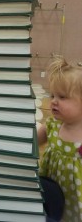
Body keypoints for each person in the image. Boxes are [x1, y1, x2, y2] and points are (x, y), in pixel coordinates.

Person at [38, 56, 82, 222]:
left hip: (76, 201)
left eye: (62, 97)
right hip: (52, 197)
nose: (54, 102)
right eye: (53, 96)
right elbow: (32, 143)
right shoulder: (52, 126)